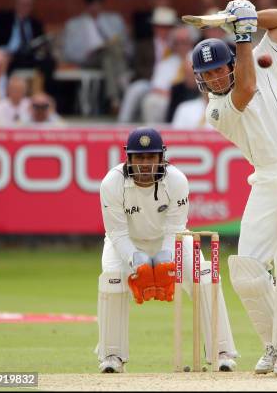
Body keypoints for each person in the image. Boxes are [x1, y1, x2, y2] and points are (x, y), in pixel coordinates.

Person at [191, 0, 277, 376]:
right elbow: (248, 87)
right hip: (266, 179)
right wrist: (244, 33)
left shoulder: (260, 56)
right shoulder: (215, 110)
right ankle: (271, 344)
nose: (215, 79)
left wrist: (247, 18)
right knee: (246, 271)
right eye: (208, 75)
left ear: (230, 63)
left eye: (219, 70)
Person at [96, 127, 238, 373]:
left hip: (171, 240)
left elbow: (176, 228)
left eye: (151, 157)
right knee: (111, 279)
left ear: (161, 157)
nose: (145, 164)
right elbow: (117, 233)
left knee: (204, 275)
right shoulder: (112, 183)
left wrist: (164, 258)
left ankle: (221, 352)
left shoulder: (176, 180)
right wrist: (136, 259)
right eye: (139, 158)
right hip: (127, 243)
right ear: (128, 158)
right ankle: (112, 356)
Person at [62, 0, 132, 113]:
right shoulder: (74, 24)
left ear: (102, 4)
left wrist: (104, 31)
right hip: (88, 59)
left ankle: (114, 99)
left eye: (98, 4)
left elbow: (126, 44)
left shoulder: (114, 19)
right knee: (110, 51)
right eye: (92, 4)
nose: (95, 7)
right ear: (86, 5)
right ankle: (123, 82)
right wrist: (86, 53)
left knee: (108, 56)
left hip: (110, 57)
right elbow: (69, 52)